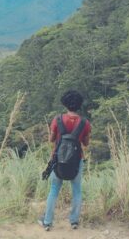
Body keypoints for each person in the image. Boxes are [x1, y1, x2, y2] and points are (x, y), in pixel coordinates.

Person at [38, 90, 91, 231]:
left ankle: (47, 222)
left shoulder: (58, 119)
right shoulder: (85, 122)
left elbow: (51, 139)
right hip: (76, 160)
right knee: (77, 190)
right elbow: (85, 143)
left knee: (54, 189)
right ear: (79, 105)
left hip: (58, 160)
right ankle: (74, 221)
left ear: (65, 104)